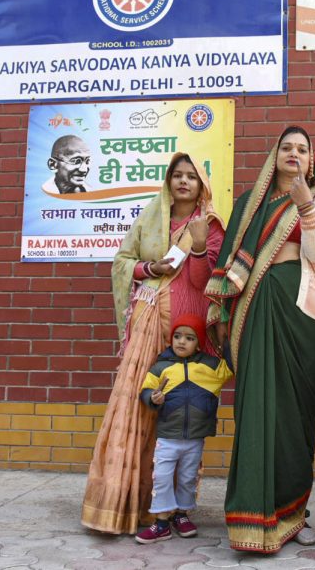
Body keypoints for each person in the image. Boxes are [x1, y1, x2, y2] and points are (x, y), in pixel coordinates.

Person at [205, 126, 315, 553]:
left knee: (295, 417)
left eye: (303, 148)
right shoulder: (249, 206)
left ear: (312, 158)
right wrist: (223, 318)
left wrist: (305, 206)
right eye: (287, 147)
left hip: (300, 316)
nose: (294, 154)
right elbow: (228, 263)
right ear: (275, 154)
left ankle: (294, 513)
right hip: (251, 313)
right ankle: (251, 519)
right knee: (257, 411)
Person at [81, 152, 225, 534]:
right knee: (138, 405)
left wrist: (196, 248)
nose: (183, 182)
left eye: (191, 177)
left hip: (186, 326)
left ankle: (174, 508)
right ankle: (125, 504)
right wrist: (151, 269)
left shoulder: (210, 225)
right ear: (168, 181)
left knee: (179, 409)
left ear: (201, 184)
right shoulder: (151, 216)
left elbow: (205, 281)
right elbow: (123, 261)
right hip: (147, 321)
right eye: (177, 175)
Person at [135, 314, 232, 544]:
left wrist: (226, 338)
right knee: (162, 478)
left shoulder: (210, 366)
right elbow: (146, 390)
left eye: (189, 338)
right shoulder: (162, 366)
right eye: (177, 336)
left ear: (198, 343)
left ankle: (182, 515)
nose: (181, 341)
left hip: (195, 438)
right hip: (167, 436)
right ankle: (161, 523)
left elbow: (230, 368)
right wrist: (153, 398)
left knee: (188, 478)